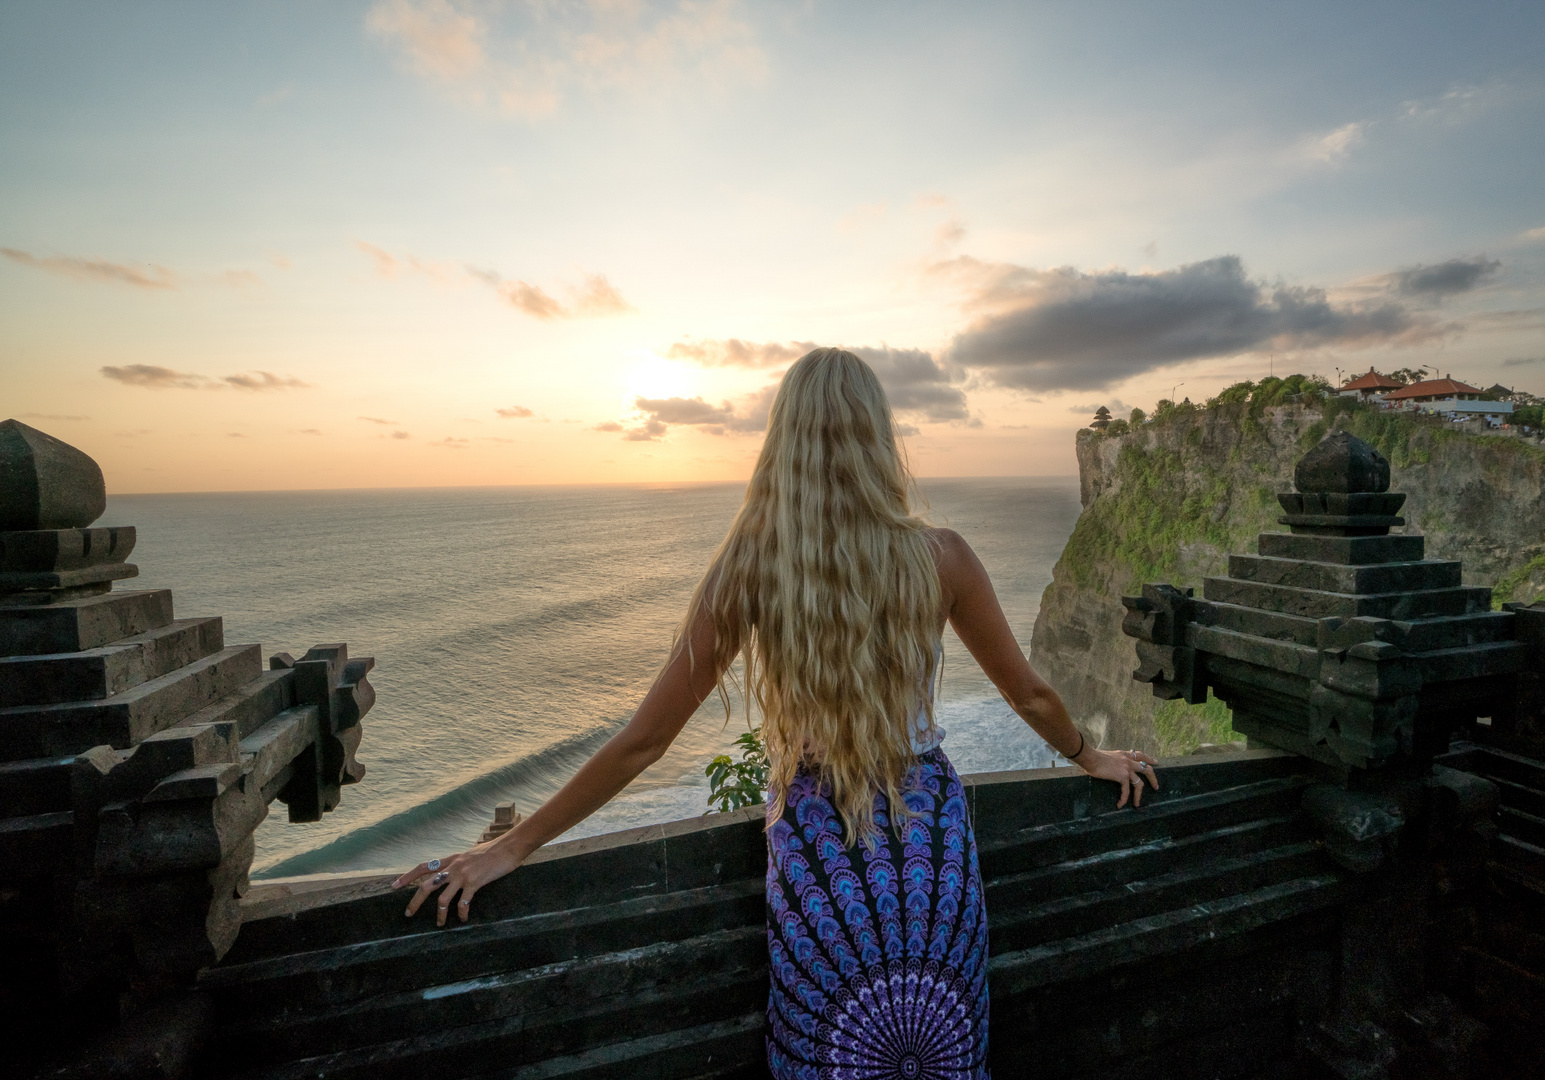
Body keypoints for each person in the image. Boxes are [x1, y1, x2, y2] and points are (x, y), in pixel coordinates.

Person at [394, 347, 1159, 1078]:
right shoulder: (940, 556)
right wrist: (1088, 756)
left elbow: (643, 742)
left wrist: (513, 847)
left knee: (836, 1048)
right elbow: (1026, 692)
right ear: (877, 438)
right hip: (929, 842)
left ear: (780, 442)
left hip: (817, 848)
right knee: (933, 1045)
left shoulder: (750, 569)